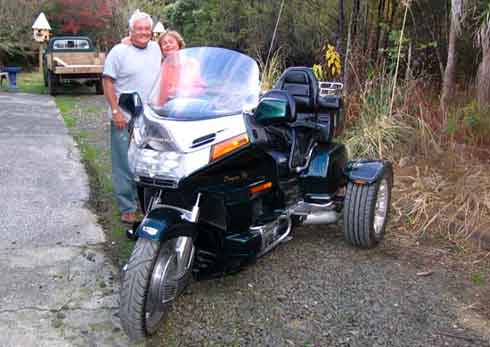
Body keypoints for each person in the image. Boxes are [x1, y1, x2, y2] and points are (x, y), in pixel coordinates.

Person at [102, 10, 161, 223]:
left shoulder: (156, 48)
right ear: (131, 30)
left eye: (147, 28)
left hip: (149, 117)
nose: (143, 32)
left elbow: (174, 45)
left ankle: (146, 203)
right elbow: (108, 81)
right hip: (124, 116)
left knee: (146, 161)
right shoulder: (119, 51)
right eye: (139, 29)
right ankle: (127, 207)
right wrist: (116, 110)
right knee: (124, 162)